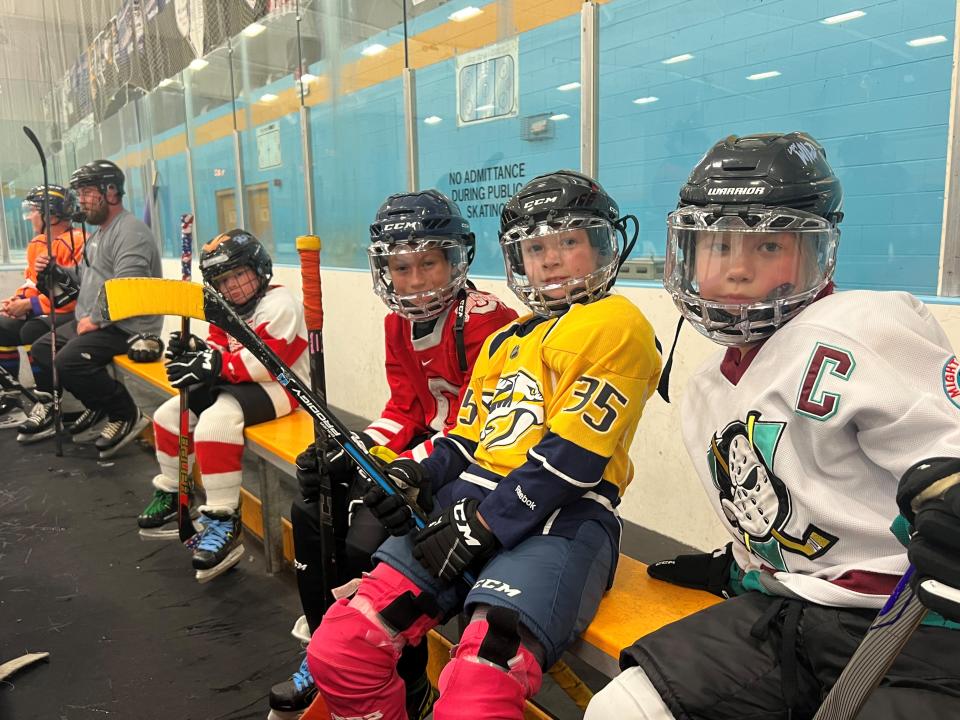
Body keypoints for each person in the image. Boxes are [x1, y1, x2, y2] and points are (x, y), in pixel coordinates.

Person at [584, 132, 960, 719]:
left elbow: (943, 440)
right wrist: (737, 567)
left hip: (918, 624)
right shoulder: (707, 385)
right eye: (718, 245)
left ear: (817, 252)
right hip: (788, 614)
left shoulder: (863, 326)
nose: (736, 268)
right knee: (622, 708)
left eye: (767, 247)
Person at [304, 170, 662, 719]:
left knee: (478, 690)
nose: (551, 259)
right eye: (535, 246)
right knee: (342, 648)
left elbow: (571, 461)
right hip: (471, 506)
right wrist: (416, 476)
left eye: (569, 241)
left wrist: (483, 524)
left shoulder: (615, 323)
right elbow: (467, 440)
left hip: (562, 520)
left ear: (603, 245)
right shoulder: (504, 339)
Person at [268, 190, 518, 720]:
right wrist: (352, 448)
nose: (416, 280)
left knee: (366, 542)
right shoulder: (396, 323)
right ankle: (324, 646)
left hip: (468, 465)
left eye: (428, 263)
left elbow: (473, 428)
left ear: (455, 259)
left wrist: (395, 466)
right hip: (423, 451)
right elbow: (404, 409)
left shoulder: (488, 320)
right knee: (312, 510)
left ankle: (406, 681)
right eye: (401, 267)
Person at [136, 228, 309, 583]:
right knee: (171, 413)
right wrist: (194, 351)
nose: (231, 287)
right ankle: (173, 493)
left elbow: (268, 363)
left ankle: (223, 521)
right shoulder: (225, 308)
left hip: (285, 389)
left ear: (259, 269)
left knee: (216, 421)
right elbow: (219, 350)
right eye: (222, 280)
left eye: (238, 276)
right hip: (240, 385)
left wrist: (213, 365)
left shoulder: (280, 304)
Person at [17, 160, 163, 455]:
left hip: (127, 326)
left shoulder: (130, 232)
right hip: (99, 321)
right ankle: (98, 405)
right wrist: (57, 272)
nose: (81, 200)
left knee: (69, 361)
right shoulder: (99, 234)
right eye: (79, 193)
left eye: (86, 192)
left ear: (111, 192)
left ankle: (124, 413)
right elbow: (87, 277)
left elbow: (127, 286)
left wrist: (95, 320)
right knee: (45, 348)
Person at [0, 185, 84, 429]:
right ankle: (11, 397)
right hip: (46, 310)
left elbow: (74, 296)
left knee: (32, 331)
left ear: (52, 214)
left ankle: (47, 401)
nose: (29, 216)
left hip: (73, 314)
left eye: (34, 210)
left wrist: (32, 305)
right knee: (2, 327)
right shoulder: (37, 243)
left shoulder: (78, 242)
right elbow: (31, 282)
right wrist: (17, 301)